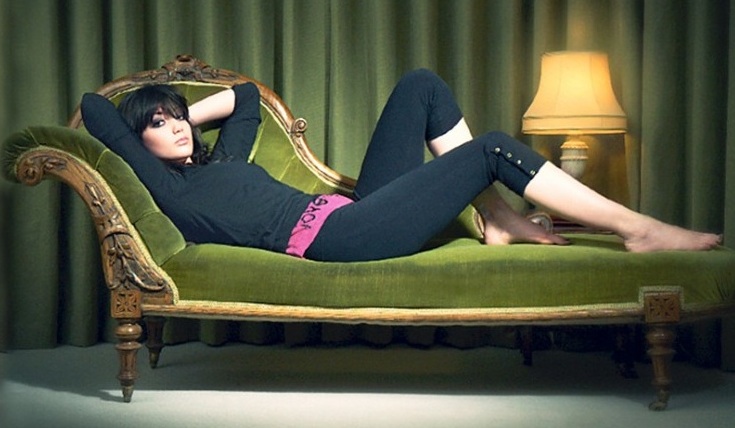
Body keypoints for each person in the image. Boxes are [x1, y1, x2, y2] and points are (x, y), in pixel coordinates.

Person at [80, 69, 721, 262]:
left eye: (176, 118)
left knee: (422, 85)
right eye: (157, 124)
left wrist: (184, 114)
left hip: (352, 213)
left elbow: (246, 97)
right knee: (493, 146)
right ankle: (636, 228)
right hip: (336, 239)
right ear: (139, 143)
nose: (174, 127)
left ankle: (498, 220)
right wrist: (150, 126)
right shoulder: (163, 184)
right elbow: (94, 108)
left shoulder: (223, 156)